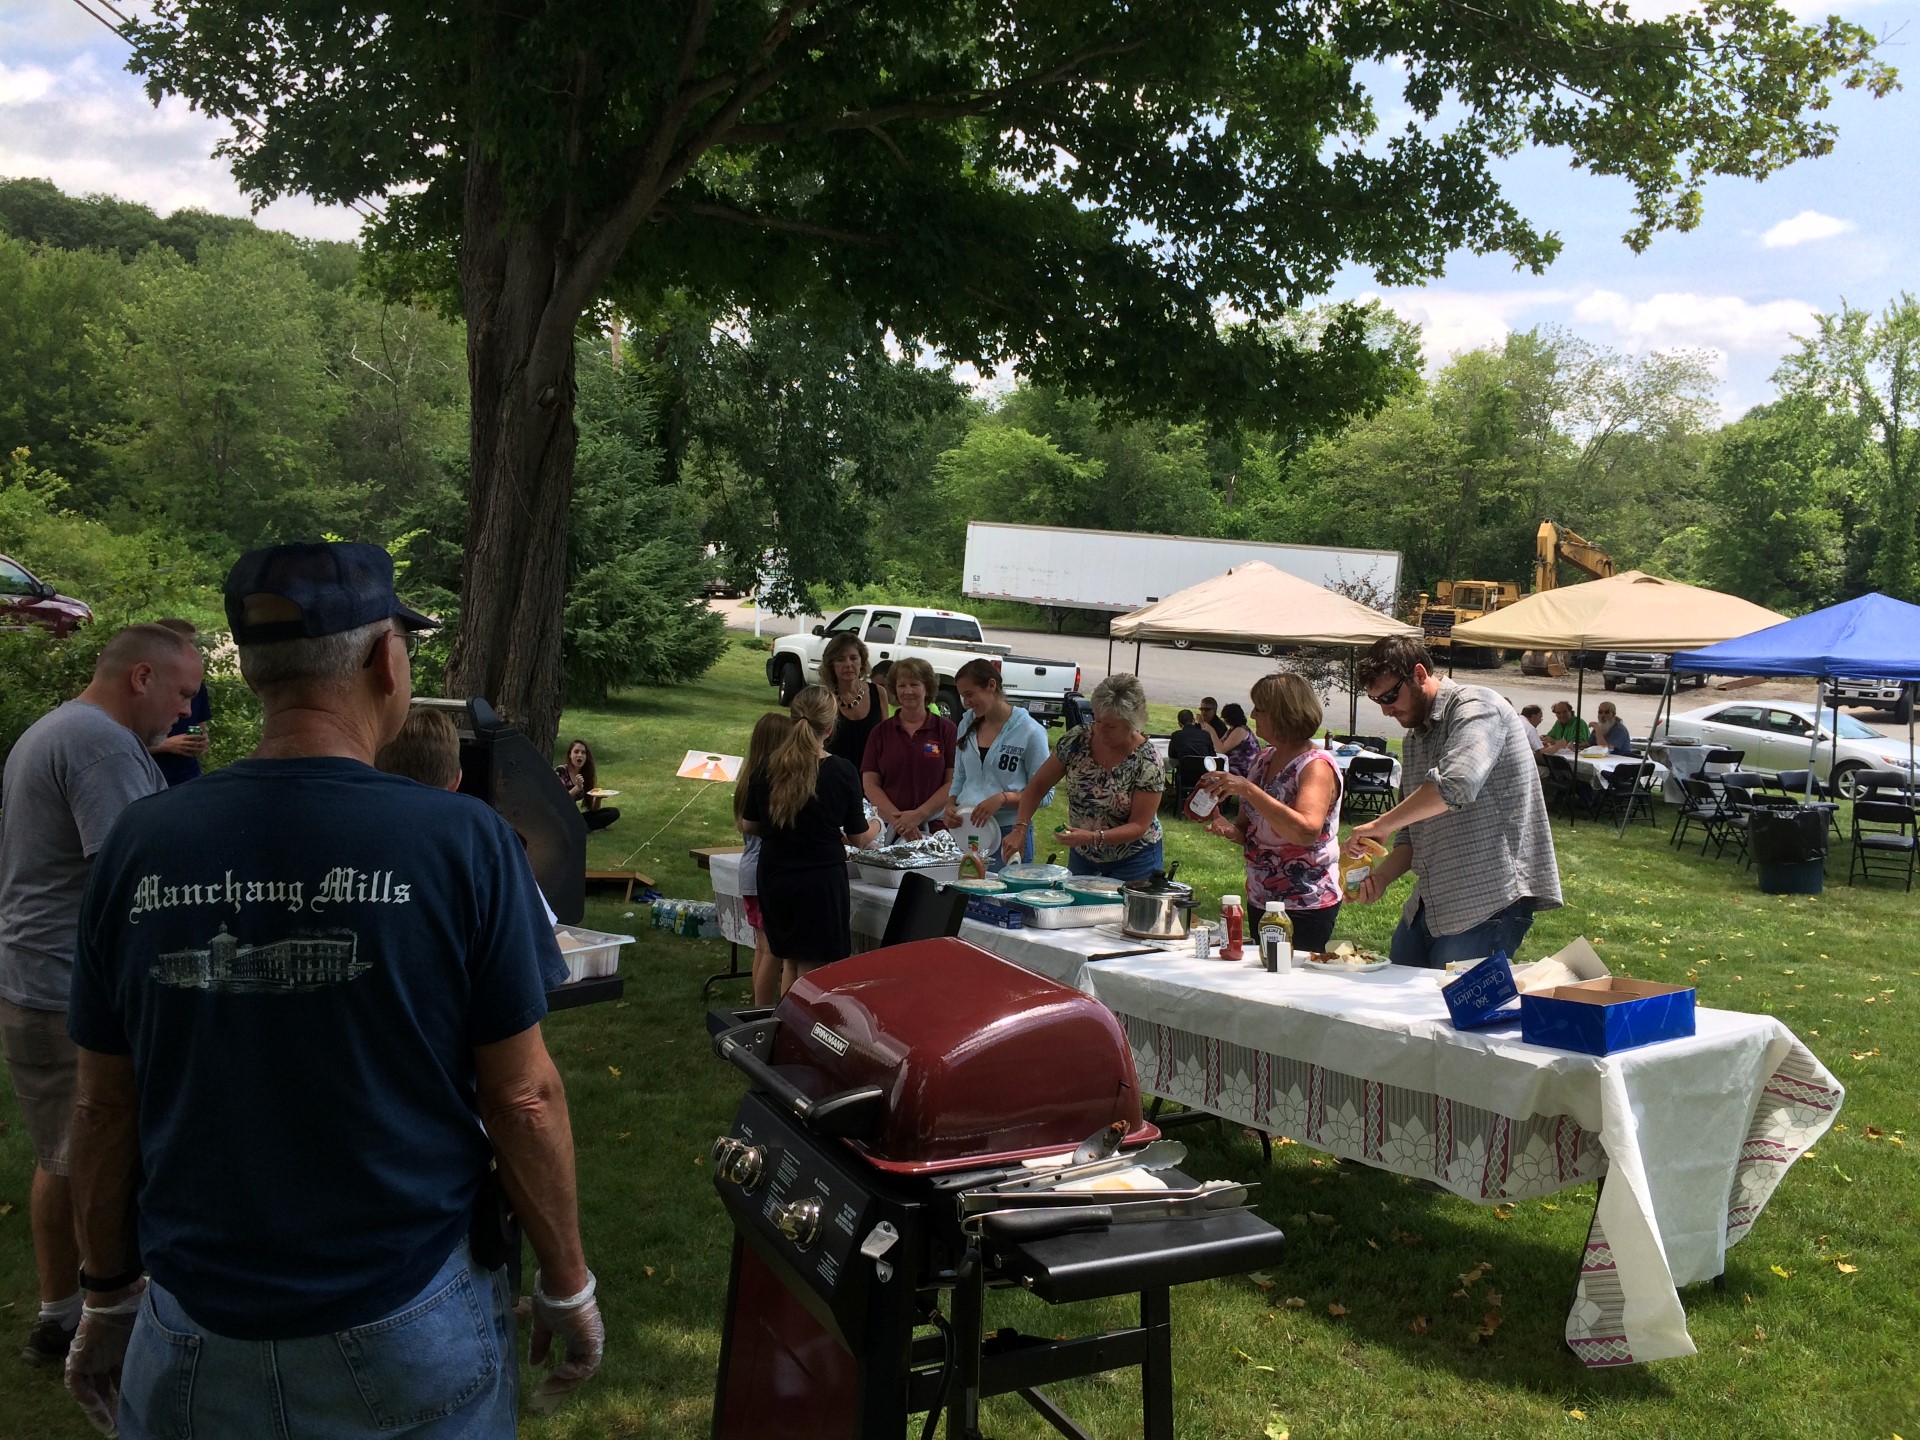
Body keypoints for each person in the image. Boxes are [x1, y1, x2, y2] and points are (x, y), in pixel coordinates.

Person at [61, 542, 603, 1436]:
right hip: (407, 1319)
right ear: (386, 660)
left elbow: (102, 1106)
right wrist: (567, 1281)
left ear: (252, 674)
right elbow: (523, 1098)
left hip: (192, 1325)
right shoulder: (462, 841)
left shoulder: (140, 843)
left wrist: (108, 1293)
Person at [0, 624, 201, 1369]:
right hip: (69, 991)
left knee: (62, 1154)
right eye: (181, 693)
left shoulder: (57, 728)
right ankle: (110, 1319)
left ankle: (59, 1317)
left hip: (35, 980)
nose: (185, 712)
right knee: (102, 1152)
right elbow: (138, 878)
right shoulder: (100, 746)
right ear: (141, 677)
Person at [1342, 636, 1561, 969]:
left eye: (1389, 696)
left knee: (1455, 1004)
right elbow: (1411, 835)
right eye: (1376, 700)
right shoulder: (1415, 739)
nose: (1386, 709)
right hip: (1430, 905)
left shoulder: (1478, 707)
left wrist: (1382, 823)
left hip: (1488, 902)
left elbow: (1457, 784)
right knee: (1393, 998)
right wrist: (1381, 878)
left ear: (1419, 674)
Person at [742, 685, 880, 994]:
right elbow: (858, 837)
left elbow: (750, 823)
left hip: (776, 875)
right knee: (810, 968)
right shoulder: (841, 770)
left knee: (790, 960)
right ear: (830, 728)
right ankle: (796, 1023)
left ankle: (781, 1020)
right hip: (819, 879)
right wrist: (877, 825)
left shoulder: (768, 766)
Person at [1199, 674, 1345, 951]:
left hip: (1305, 903)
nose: (1253, 714)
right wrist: (1228, 829)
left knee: (1290, 976)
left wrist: (1248, 789)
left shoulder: (1315, 766)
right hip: (1261, 898)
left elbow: (1306, 831)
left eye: (1260, 708)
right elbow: (1248, 830)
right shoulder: (1264, 759)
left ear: (1284, 714)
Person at [1002, 674, 1166, 880]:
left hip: (1134, 859)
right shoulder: (1077, 739)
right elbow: (1038, 786)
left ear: (1131, 723)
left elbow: (1139, 825)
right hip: (1083, 855)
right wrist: (1020, 829)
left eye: (1111, 726)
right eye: (1097, 720)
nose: (1100, 730)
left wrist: (1093, 837)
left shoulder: (1147, 759)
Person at [942, 658, 1053, 866]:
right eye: (962, 696)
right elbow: (961, 776)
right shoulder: (966, 724)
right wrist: (950, 805)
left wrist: (1004, 798)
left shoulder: (1030, 731)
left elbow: (1045, 794)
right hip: (966, 831)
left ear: (991, 685)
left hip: (1009, 834)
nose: (966, 702)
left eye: (970, 694)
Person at [861, 656, 956, 840]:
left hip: (935, 830)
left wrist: (919, 815)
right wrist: (900, 821)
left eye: (914, 684)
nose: (908, 691)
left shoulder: (946, 730)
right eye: (902, 685)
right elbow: (870, 784)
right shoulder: (880, 732)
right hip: (888, 828)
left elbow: (953, 782)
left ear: (927, 687)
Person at [734, 711, 791, 1005]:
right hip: (762, 871)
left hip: (748, 871)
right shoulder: (767, 783)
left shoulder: (747, 779)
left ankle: (758, 1006)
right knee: (772, 951)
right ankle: (764, 1009)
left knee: (761, 947)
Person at [146, 618, 212, 786]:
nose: (194, 650)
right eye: (189, 643)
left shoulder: (197, 687)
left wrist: (202, 742)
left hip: (188, 778)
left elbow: (200, 728)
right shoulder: (144, 687)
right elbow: (121, 746)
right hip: (151, 779)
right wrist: (166, 745)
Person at [823, 632, 885, 770]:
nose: (848, 664)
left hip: (871, 776)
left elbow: (886, 739)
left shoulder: (879, 693)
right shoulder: (824, 699)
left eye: (853, 658)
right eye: (840, 659)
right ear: (831, 665)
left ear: (862, 661)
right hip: (836, 776)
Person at [555, 738, 620, 831]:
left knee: (613, 812)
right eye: (576, 752)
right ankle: (583, 828)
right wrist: (577, 787)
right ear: (570, 755)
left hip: (574, 815)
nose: (580, 755)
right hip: (559, 816)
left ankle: (583, 827)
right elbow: (560, 799)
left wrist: (598, 798)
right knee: (578, 824)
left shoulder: (585, 774)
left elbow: (593, 809)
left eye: (583, 753)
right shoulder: (561, 770)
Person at [1212, 701, 1261, 777]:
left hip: (1242, 769)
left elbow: (1221, 749)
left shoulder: (1240, 730)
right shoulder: (1232, 730)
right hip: (1233, 766)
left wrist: (1211, 731)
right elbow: (1219, 743)